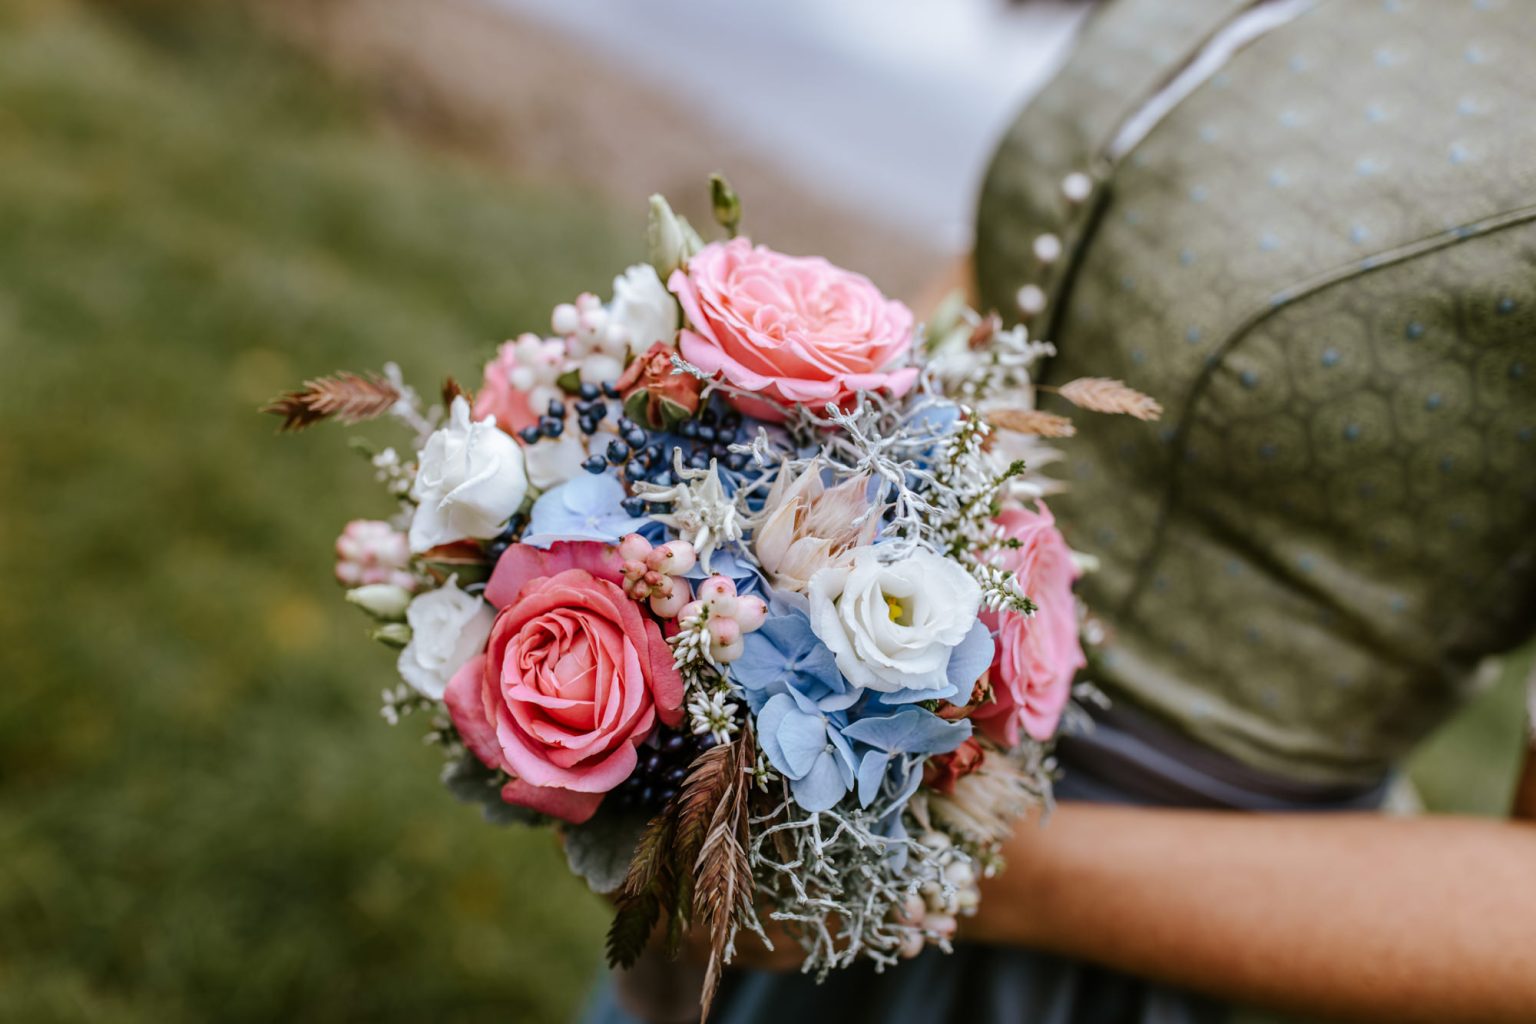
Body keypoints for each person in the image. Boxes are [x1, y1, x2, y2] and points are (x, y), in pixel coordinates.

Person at [587, 1, 1536, 1020]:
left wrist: (959, 865)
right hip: (820, 767)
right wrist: (755, 549)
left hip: (1151, 948)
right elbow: (1019, 264)